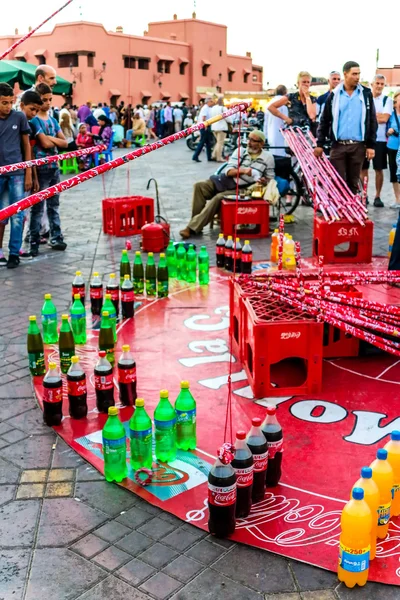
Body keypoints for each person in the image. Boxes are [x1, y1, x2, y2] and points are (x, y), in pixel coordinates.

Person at [179, 130, 274, 238]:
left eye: (253, 140)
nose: (249, 142)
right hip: (225, 181)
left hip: (243, 188)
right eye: (249, 139)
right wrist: (244, 171)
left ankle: (191, 228)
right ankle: (196, 225)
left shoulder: (268, 157)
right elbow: (228, 172)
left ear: (261, 143)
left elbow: (270, 178)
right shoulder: (240, 151)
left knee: (218, 197)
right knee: (199, 186)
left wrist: (263, 181)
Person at [314, 61, 377, 194]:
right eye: (354, 74)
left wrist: (371, 145)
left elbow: (372, 120)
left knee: (353, 183)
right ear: (345, 74)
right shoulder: (334, 95)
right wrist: (319, 143)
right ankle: (339, 213)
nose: (357, 77)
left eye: (358, 74)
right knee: (338, 183)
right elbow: (324, 120)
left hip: (358, 146)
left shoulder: (365, 94)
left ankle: (352, 214)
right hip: (338, 146)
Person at [29, 83, 68, 256]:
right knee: (37, 208)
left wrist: (49, 139)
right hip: (41, 168)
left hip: (54, 167)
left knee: (54, 205)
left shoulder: (52, 120)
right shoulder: (34, 121)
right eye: (44, 100)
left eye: (50, 99)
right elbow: (44, 144)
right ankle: (34, 241)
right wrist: (53, 141)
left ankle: (56, 237)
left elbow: (65, 143)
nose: (48, 103)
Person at [0, 83, 32, 268]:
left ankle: (14, 253)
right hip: (0, 175)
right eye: (3, 102)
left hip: (17, 174)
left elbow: (26, 145)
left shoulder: (19, 117)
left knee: (17, 215)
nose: (7, 106)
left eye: (10, 102)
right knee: (1, 215)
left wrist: (28, 172)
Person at [360, 74, 393, 207]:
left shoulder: (387, 100)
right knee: (363, 168)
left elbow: (384, 119)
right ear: (372, 84)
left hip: (380, 139)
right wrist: (376, 115)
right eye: (377, 83)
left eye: (382, 84)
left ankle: (378, 196)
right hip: (364, 139)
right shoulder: (364, 98)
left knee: (379, 169)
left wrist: (371, 116)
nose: (379, 86)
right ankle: (364, 195)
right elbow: (364, 117)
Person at [264, 85, 288, 157]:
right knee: (281, 155)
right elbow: (286, 120)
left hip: (270, 133)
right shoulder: (284, 103)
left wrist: (265, 136)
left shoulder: (269, 104)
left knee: (272, 155)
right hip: (281, 133)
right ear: (285, 92)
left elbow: (265, 122)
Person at [386, 89, 400, 209]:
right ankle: (397, 199)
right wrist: (389, 131)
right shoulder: (390, 114)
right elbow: (385, 129)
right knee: (394, 173)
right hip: (392, 146)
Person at [192, 98, 215, 163]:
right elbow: (203, 118)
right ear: (208, 102)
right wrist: (205, 126)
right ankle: (195, 156)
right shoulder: (205, 108)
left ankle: (209, 157)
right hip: (205, 127)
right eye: (211, 101)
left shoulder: (207, 108)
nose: (212, 102)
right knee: (202, 142)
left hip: (206, 126)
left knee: (208, 143)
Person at [210, 97, 231, 162]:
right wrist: (231, 122)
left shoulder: (213, 108)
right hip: (222, 127)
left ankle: (214, 155)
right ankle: (219, 157)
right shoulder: (223, 108)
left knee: (218, 142)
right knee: (220, 143)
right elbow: (227, 117)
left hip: (214, 127)